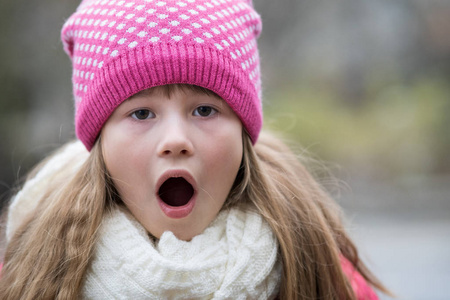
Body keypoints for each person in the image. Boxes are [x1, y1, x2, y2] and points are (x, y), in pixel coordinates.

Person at [0, 0, 390, 299]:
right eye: (141, 113)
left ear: (243, 130)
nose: (175, 141)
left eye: (205, 109)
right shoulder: (35, 272)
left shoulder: (319, 270)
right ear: (99, 143)